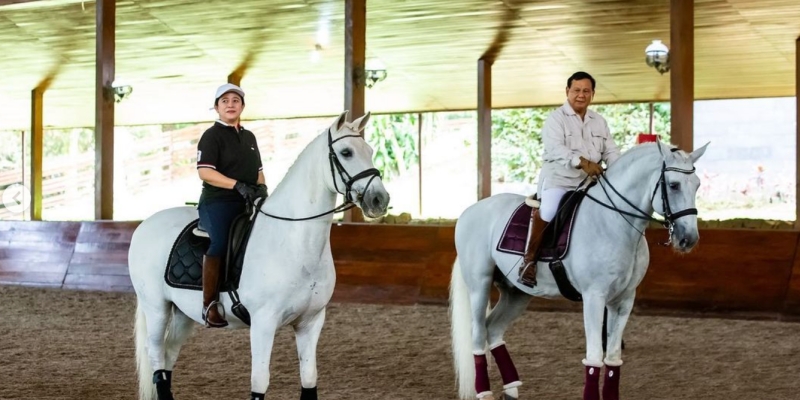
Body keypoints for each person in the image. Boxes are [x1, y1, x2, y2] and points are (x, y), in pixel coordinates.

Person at [519, 71, 621, 287]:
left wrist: (618, 169)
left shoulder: (599, 121)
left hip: (591, 184)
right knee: (548, 211)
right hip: (560, 180)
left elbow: (610, 150)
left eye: (586, 91)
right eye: (576, 90)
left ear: (593, 94)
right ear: (567, 91)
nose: (581, 95)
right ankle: (529, 262)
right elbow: (555, 148)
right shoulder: (556, 119)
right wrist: (582, 162)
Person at [196, 83, 268, 327]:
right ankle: (209, 305)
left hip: (248, 200)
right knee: (220, 242)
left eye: (235, 100)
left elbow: (259, 172)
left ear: (242, 106)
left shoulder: (249, 137)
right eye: (224, 101)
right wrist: (237, 185)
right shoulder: (211, 136)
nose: (230, 104)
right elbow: (205, 172)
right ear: (216, 107)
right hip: (218, 201)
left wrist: (262, 190)